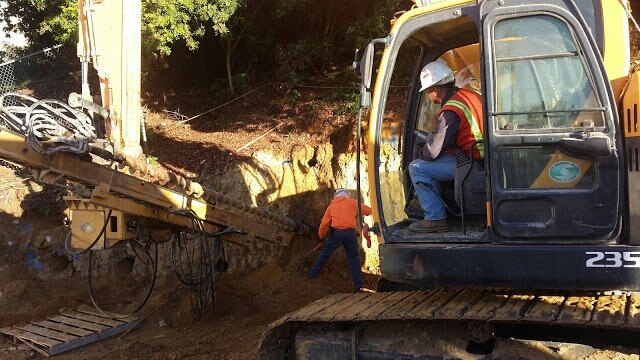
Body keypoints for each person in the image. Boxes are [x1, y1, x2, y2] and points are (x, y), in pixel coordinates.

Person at [408, 59, 484, 232]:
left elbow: (432, 153)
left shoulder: (450, 110)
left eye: (427, 90)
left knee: (417, 167)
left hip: (471, 162)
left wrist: (423, 150)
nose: (428, 94)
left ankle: (435, 217)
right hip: (482, 156)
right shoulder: (469, 96)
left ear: (435, 89)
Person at [309, 188, 372, 290]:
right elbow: (369, 211)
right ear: (347, 196)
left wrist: (321, 235)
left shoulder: (331, 206)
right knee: (354, 258)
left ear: (336, 197)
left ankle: (313, 274)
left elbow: (324, 224)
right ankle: (358, 285)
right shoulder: (352, 203)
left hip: (336, 234)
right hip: (351, 234)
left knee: (325, 253)